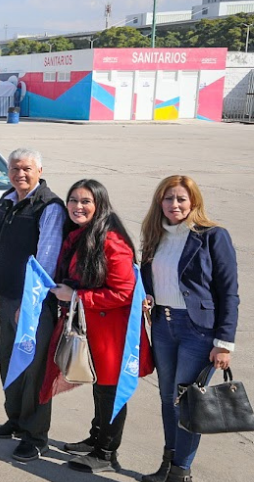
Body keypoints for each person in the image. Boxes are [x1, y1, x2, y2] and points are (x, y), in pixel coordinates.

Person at [138, 176, 239, 482]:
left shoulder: (213, 236)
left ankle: (181, 471)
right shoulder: (155, 235)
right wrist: (147, 296)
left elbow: (229, 291)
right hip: (164, 326)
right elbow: (152, 277)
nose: (175, 205)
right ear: (160, 202)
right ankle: (168, 464)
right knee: (168, 398)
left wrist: (224, 342)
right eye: (169, 199)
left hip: (198, 330)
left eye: (182, 199)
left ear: (194, 202)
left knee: (188, 401)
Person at [44, 179, 148, 473]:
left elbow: (125, 292)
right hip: (93, 327)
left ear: (99, 204)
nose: (78, 206)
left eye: (86, 201)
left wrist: (76, 296)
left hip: (112, 331)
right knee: (100, 388)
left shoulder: (110, 240)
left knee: (110, 390)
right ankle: (96, 438)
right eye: (73, 200)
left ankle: (106, 453)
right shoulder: (81, 235)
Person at [0, 148, 66, 462]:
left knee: (34, 371)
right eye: (15, 168)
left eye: (27, 168)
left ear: (40, 170)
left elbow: (45, 262)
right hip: (6, 298)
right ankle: (16, 420)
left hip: (33, 305)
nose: (21, 173)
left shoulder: (49, 207)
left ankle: (36, 436)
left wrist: (29, 306)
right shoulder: (7, 200)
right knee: (9, 363)